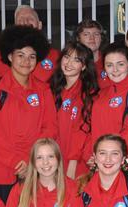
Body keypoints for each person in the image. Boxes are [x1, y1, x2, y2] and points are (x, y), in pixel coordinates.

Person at [0, 25, 57, 203]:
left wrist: (30, 159)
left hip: (34, 167)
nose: (26, 61)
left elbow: (50, 127)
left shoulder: (43, 90)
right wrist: (16, 161)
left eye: (31, 56)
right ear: (10, 57)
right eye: (20, 55)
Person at [81, 43, 128, 176]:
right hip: (100, 165)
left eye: (120, 64)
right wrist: (90, 155)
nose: (115, 70)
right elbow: (93, 130)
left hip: (126, 166)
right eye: (109, 65)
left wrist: (109, 155)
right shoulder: (101, 95)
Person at [49, 41, 100, 179]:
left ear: (83, 66)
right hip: (51, 159)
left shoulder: (89, 94)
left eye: (76, 60)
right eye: (67, 57)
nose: (69, 63)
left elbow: (84, 131)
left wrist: (72, 164)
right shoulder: (51, 90)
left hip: (77, 163)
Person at [72, 135, 128, 207]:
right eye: (102, 153)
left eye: (115, 153)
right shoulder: (81, 188)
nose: (108, 159)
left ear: (123, 159)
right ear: (95, 158)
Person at [0, 5, 60, 84]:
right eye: (21, 19)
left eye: (30, 18)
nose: (25, 21)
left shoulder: (55, 56)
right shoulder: (0, 57)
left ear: (39, 25)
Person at [4, 138, 75, 207]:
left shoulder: (72, 188)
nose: (45, 162)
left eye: (50, 156)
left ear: (58, 159)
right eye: (39, 157)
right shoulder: (20, 190)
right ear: (33, 162)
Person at [75, 19, 106, 86]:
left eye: (96, 34)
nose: (92, 38)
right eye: (86, 34)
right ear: (78, 39)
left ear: (101, 38)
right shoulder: (71, 63)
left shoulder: (109, 61)